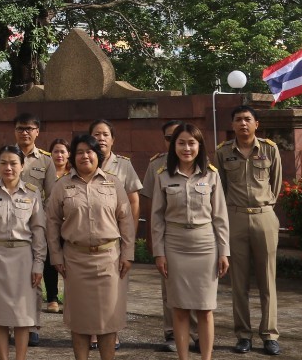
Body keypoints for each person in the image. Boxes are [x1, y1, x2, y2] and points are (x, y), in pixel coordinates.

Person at [46, 134, 135, 360]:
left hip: (109, 260)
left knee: (108, 320)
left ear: (98, 155)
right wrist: (56, 256)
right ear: (72, 158)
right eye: (79, 152)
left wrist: (128, 253)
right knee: (79, 321)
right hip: (76, 260)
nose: (85, 156)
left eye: (90, 151)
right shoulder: (62, 185)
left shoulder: (113, 183)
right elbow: (52, 222)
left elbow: (125, 220)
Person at [152, 124, 229, 360]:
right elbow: (156, 217)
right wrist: (159, 252)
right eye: (181, 143)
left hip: (205, 246)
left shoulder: (211, 174)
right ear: (174, 146)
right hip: (175, 246)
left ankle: (206, 357)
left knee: (206, 309)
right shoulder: (163, 175)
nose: (187, 148)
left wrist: (224, 251)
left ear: (199, 146)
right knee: (180, 309)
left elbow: (220, 216)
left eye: (192, 143)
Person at [214, 105, 282, 356]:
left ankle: (270, 334)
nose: (243, 124)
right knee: (238, 282)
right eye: (238, 120)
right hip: (235, 218)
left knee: (267, 280)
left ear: (256, 124)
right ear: (232, 125)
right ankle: (243, 335)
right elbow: (219, 187)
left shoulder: (269, 149)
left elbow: (277, 183)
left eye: (247, 119)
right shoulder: (222, 152)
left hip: (264, 216)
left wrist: (265, 206)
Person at [0, 145, 46, 360]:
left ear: (22, 166)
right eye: (3, 163)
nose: (8, 167)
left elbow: (38, 231)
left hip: (23, 257)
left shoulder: (32, 193)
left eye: (13, 163)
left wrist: (38, 263)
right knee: (0, 314)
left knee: (23, 315)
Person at [142, 119, 197, 352]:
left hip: (196, 237)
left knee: (197, 287)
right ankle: (173, 333)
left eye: (181, 138)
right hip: (167, 234)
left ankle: (196, 334)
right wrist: (152, 239)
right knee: (170, 288)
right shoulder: (156, 165)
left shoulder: (201, 165)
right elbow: (150, 205)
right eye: (169, 138)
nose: (175, 142)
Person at [88, 119, 141, 346]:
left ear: (113, 139)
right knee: (89, 290)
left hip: (116, 237)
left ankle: (113, 332)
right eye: (96, 134)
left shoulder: (124, 165)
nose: (101, 138)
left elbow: (133, 201)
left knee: (115, 290)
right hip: (88, 236)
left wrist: (131, 235)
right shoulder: (83, 160)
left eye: (105, 134)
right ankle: (91, 332)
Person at [41, 138, 71, 315]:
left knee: (70, 262)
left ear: (69, 155)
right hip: (50, 223)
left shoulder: (74, 173)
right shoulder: (46, 173)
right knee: (50, 261)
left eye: (63, 151)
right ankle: (52, 297)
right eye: (55, 152)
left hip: (70, 225)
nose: (59, 155)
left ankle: (70, 298)